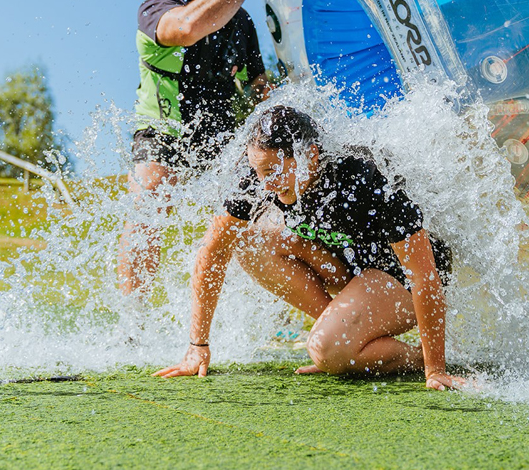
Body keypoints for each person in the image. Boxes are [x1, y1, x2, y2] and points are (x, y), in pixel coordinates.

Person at [155, 105, 465, 390]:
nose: (265, 186)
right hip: (352, 267)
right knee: (249, 244)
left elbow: (424, 276)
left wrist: (434, 368)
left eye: (274, 172)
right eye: (259, 172)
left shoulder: (365, 179)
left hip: (401, 280)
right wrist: (197, 346)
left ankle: (405, 354)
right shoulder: (257, 174)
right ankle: (340, 337)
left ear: (310, 155)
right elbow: (214, 251)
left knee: (326, 349)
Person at [119, 0, 275, 298]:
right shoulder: (157, 8)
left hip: (218, 136)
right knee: (148, 204)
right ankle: (133, 323)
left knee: (260, 219)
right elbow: (187, 29)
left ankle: (253, 316)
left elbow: (258, 86)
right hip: (163, 127)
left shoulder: (241, 23)